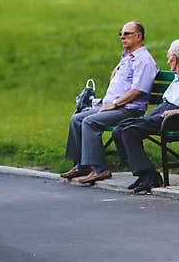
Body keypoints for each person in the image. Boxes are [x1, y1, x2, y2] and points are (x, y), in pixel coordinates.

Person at [60, 21, 159, 185]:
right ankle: (82, 164)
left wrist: (114, 104)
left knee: (90, 122)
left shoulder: (144, 60)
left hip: (128, 110)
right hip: (114, 106)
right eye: (120, 33)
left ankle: (100, 169)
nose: (122, 37)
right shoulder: (127, 58)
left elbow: (138, 90)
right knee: (76, 118)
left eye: (127, 34)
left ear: (138, 36)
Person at [111, 39, 179, 194]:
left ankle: (148, 174)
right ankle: (145, 173)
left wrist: (177, 112)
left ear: (174, 59)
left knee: (130, 131)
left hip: (174, 118)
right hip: (163, 112)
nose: (167, 60)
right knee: (120, 129)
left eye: (168, 57)